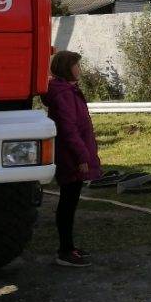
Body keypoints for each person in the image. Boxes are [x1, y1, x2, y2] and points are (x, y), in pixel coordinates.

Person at [41, 50, 103, 266]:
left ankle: (69, 247)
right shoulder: (64, 95)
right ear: (67, 68)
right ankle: (65, 251)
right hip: (71, 157)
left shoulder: (68, 91)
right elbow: (69, 129)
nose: (80, 69)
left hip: (73, 154)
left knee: (71, 201)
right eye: (77, 65)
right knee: (68, 202)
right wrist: (82, 156)